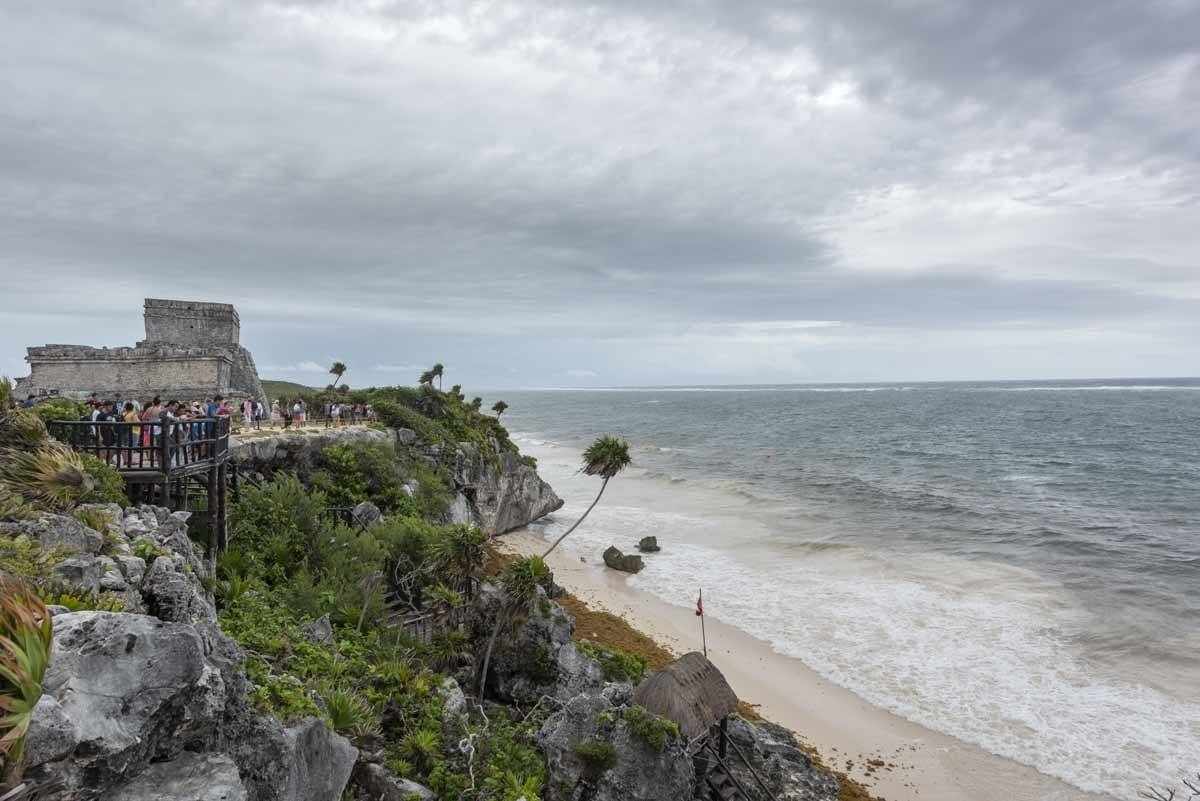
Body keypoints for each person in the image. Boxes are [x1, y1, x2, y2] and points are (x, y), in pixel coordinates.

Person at [121, 402, 139, 467]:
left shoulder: (123, 414)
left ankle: (125, 460)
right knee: (131, 446)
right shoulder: (133, 414)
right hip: (133, 431)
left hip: (124, 431)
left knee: (124, 446)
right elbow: (136, 422)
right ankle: (130, 460)